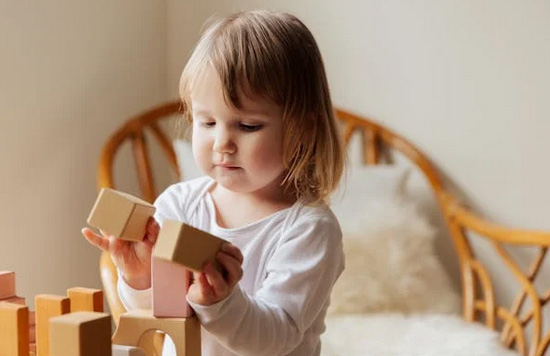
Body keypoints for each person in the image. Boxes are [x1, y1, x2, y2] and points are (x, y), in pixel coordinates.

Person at [82, 9, 345, 356]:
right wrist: (138, 276)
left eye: (248, 126)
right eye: (206, 122)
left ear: (303, 128)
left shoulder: (310, 230)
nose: (222, 143)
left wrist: (222, 303)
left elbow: (276, 337)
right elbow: (157, 316)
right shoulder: (177, 205)